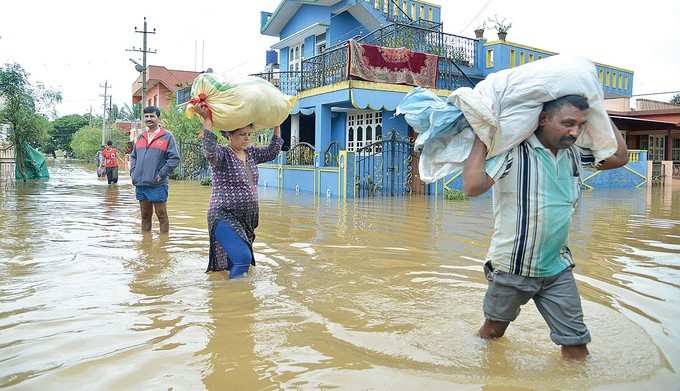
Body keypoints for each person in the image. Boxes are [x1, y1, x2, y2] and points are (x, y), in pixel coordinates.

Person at [462, 95, 628, 360]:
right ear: (543, 120)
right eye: (567, 123)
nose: (574, 131)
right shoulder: (514, 153)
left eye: (580, 124)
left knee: (576, 345)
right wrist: (483, 137)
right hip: (512, 268)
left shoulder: (574, 154)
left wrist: (600, 112)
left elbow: (619, 157)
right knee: (493, 332)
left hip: (557, 268)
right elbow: (472, 187)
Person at [193, 103, 283, 279]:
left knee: (238, 264)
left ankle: (231, 300)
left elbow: (273, 151)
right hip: (223, 215)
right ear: (229, 135)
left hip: (246, 220)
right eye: (242, 135)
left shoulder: (251, 154)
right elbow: (209, 151)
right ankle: (234, 300)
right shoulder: (223, 155)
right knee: (243, 258)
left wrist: (277, 122)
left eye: (249, 134)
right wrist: (207, 120)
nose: (246, 138)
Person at [130, 106, 180, 234]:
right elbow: (133, 156)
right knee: (145, 215)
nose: (149, 119)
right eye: (146, 116)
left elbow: (174, 159)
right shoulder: (141, 137)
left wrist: (161, 174)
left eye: (152, 116)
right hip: (141, 183)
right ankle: (146, 246)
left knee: (161, 215)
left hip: (158, 183)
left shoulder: (167, 137)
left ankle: (164, 246)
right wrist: (133, 172)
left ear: (158, 118)